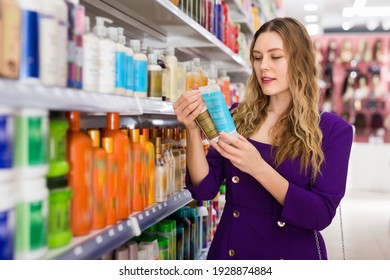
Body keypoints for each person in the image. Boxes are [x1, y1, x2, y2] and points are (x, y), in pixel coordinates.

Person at [173, 17, 353, 260]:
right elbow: (205, 189)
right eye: (257, 58)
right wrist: (193, 130)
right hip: (232, 253)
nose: (263, 66)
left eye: (275, 56)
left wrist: (258, 168)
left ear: (300, 60)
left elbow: (320, 215)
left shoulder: (332, 130)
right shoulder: (238, 115)